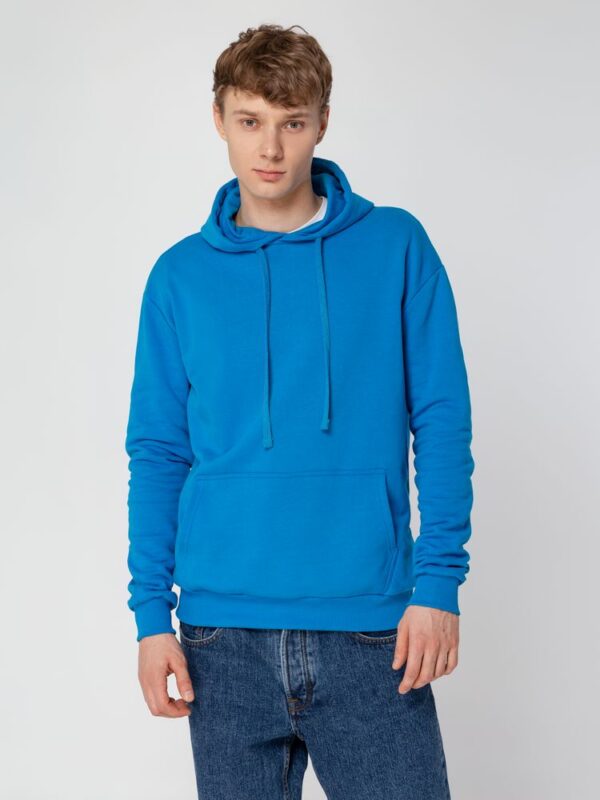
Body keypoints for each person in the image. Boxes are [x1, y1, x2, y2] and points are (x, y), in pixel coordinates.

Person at [124, 22, 475, 800]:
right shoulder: (180, 277)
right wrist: (151, 618)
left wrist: (438, 585)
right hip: (220, 639)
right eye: (250, 120)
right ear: (219, 120)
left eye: (292, 122)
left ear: (322, 123)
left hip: (373, 630)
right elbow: (158, 452)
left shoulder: (395, 247)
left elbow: (442, 419)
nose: (271, 147)